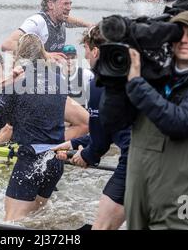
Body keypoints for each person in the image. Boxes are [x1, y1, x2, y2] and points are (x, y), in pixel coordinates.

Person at [124, 11, 188, 229]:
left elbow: (181, 122)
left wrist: (136, 84)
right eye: (179, 33)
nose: (184, 40)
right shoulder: (153, 76)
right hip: (140, 185)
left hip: (181, 192)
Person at [0, 33, 88, 221]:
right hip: (55, 160)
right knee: (36, 217)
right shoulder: (59, 80)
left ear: (20, 55)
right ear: (42, 54)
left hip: (31, 159)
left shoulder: (17, 82)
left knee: (11, 220)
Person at [54, 26, 131, 230]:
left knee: (101, 227)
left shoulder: (99, 81)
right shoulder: (134, 70)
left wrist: (85, 156)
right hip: (167, 159)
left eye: (86, 52)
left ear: (96, 51)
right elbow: (108, 130)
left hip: (136, 159)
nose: (86, 58)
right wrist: (72, 143)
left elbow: (100, 142)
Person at [1, 0, 93, 62]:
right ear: (51, 4)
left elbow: (69, 20)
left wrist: (88, 25)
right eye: (65, 4)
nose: (69, 8)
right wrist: (45, 54)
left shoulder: (60, 18)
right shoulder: (37, 22)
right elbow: (7, 45)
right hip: (32, 76)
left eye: (70, 4)